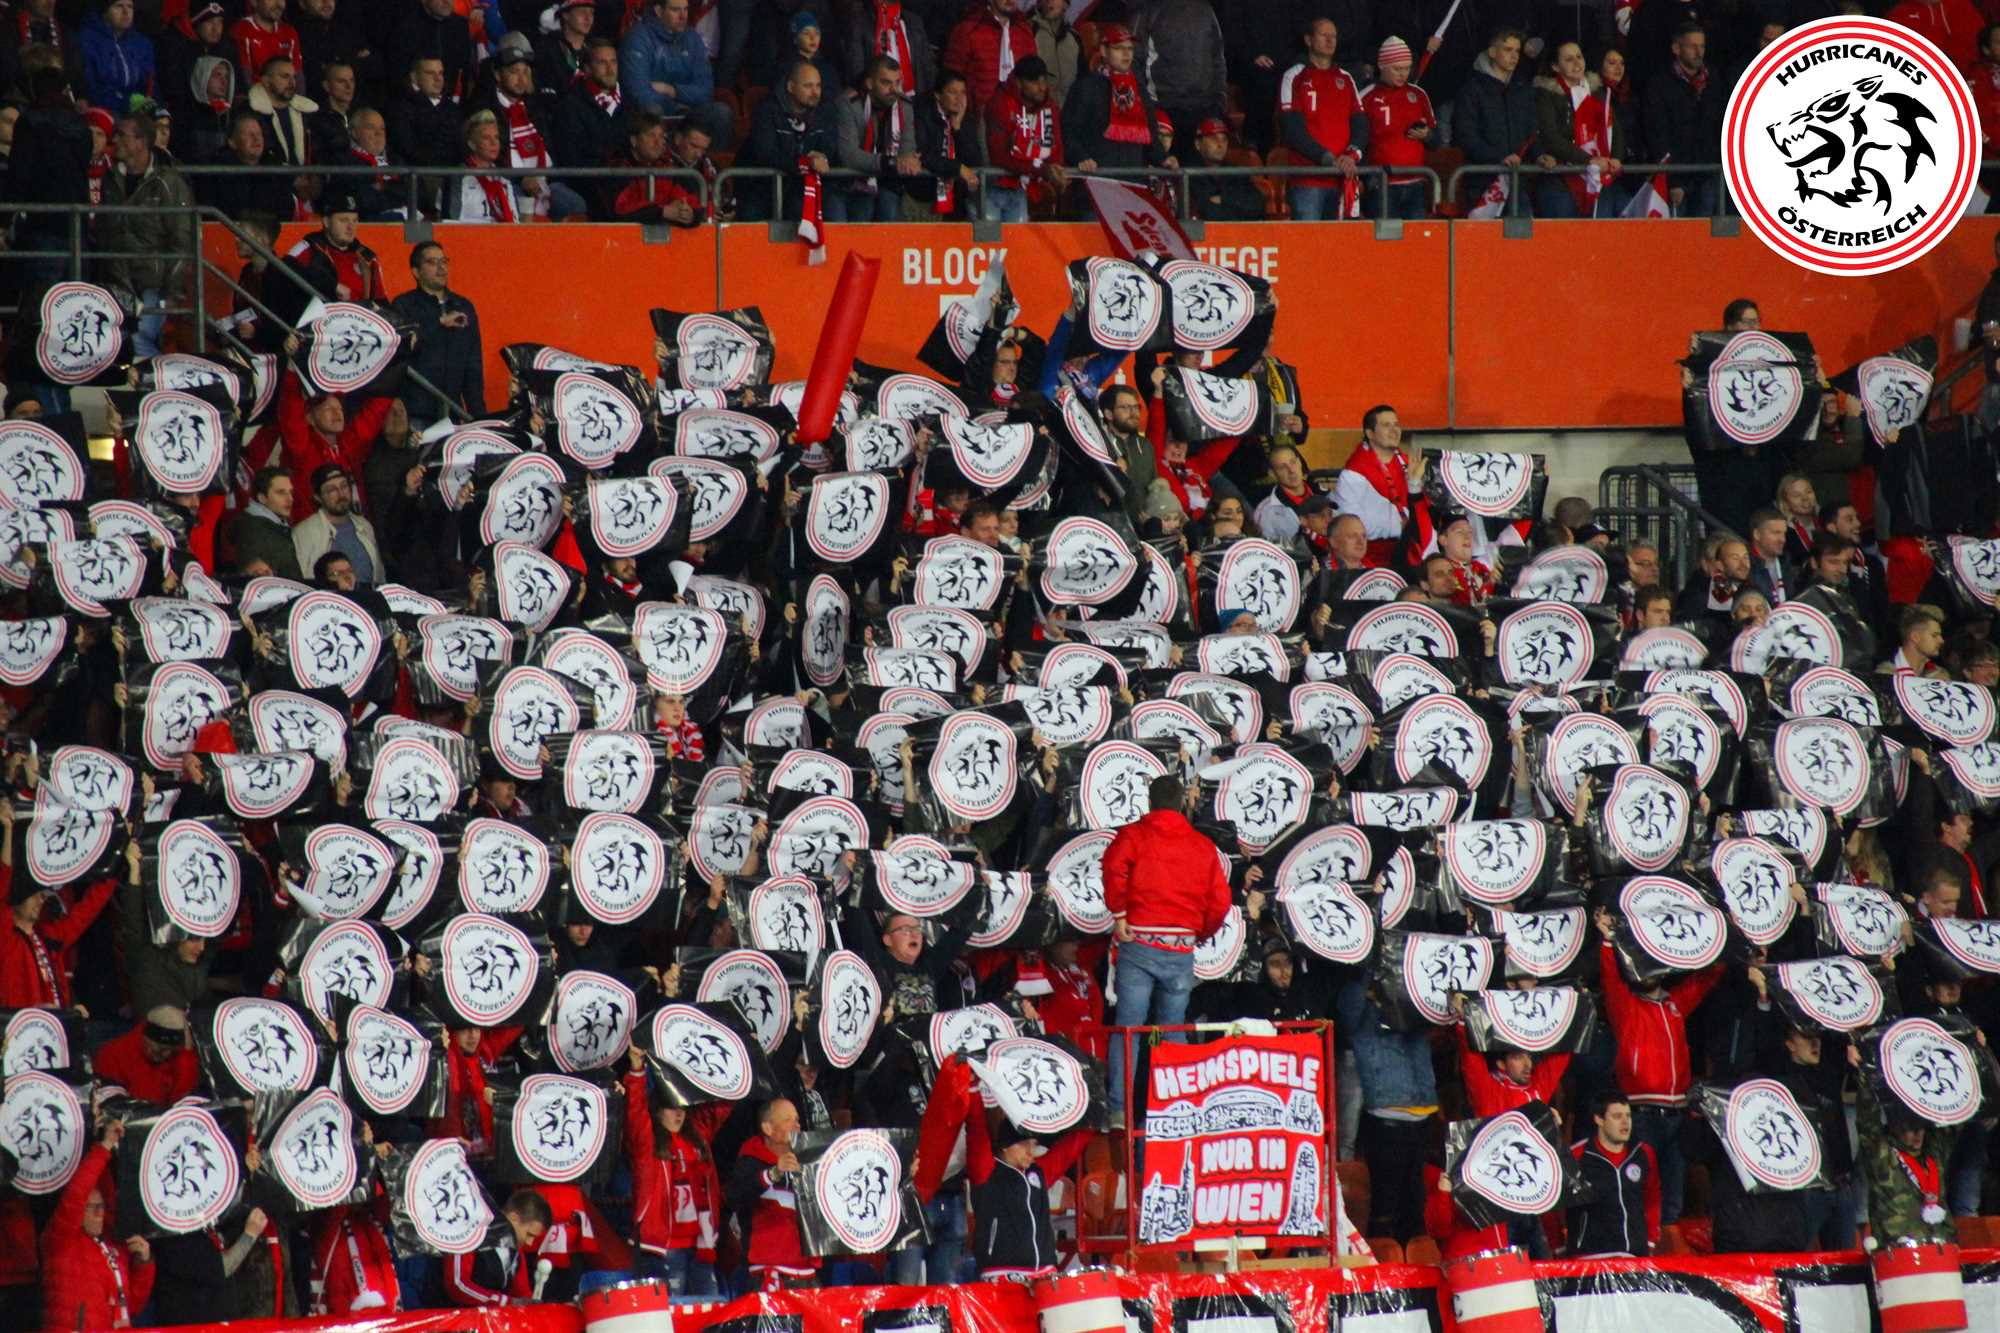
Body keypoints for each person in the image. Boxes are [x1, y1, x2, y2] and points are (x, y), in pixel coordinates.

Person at [1099, 774, 1232, 1125]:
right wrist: (1198, 932)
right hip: (1181, 949)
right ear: (1181, 804)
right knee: (1172, 1029)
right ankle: (1176, 1109)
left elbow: (1112, 867)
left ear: (1150, 802)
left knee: (1129, 1028)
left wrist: (1119, 914)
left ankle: (1119, 1110)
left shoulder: (1133, 836)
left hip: (1139, 943)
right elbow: (1221, 901)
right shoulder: (1202, 845)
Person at [1593, 903, 1724, 1225]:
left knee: (1673, 1196)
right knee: (1643, 1191)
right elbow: (1610, 979)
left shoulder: (1674, 1005)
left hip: (1678, 1113)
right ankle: (1645, 1246)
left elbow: (1704, 981)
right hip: (1642, 1115)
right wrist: (1608, 942)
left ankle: (1666, 1248)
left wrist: (1725, 938)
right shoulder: (1626, 1007)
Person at [40, 1119, 153, 1333]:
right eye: (91, 1207)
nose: (99, 1213)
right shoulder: (61, 1239)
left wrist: (143, 1264)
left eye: (101, 1206)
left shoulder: (114, 1247)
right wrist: (104, 1146)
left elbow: (132, 1307)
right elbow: (77, 1193)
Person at [622, 1047, 720, 1293]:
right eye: (671, 1107)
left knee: (709, 1310)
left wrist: (736, 1065)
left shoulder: (697, 1137)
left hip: (701, 1245)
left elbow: (721, 1107)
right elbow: (635, 1110)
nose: (679, 1114)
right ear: (656, 1110)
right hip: (663, 1248)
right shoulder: (648, 1144)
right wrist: (636, 1070)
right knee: (671, 1312)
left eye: (682, 1107)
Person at [98, 109, 192, 361]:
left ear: (141, 142)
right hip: (118, 281)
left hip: (154, 283)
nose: (115, 140)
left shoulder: (168, 182)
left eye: (122, 135)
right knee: (119, 344)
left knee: (140, 341)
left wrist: (173, 291)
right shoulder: (111, 178)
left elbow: (182, 237)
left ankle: (154, 381)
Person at [466, 33, 587, 221]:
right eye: (514, 72)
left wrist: (544, 178)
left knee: (575, 205)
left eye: (525, 72)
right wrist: (521, 179)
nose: (521, 79)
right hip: (509, 183)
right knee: (514, 203)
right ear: (498, 74)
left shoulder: (538, 105)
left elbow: (551, 148)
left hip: (546, 181)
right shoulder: (485, 108)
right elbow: (486, 156)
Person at [967, 1115, 1092, 1279]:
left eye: (1033, 1144)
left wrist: (1091, 1117)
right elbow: (976, 1130)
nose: (1030, 1151)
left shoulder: (1038, 1172)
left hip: (1044, 1272)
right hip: (1001, 1272)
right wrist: (974, 1098)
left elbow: (1069, 1149)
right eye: (1024, 1144)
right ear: (1005, 1146)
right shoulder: (986, 1173)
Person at [1277, 17, 1366, 222]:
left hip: (1343, 180)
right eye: (1324, 35)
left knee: (1342, 242)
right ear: (1308, 40)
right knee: (1309, 241)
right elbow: (1291, 129)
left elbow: (1361, 124)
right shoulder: (1294, 77)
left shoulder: (1346, 78)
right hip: (1308, 182)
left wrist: (1351, 155)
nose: (1330, 40)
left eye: (1333, 36)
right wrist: (1327, 158)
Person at [726, 1098, 818, 1290]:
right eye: (787, 1120)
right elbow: (735, 1196)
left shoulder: (811, 1163)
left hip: (808, 1272)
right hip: (769, 1274)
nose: (797, 1125)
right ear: (768, 1128)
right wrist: (773, 1174)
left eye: (797, 1119)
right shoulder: (750, 1160)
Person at [391, 240, 484, 428]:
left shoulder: (464, 306)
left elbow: (473, 366)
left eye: (444, 261)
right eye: (432, 262)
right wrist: (439, 322)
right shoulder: (403, 305)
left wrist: (479, 418)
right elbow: (401, 348)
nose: (441, 268)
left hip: (453, 414)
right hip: (415, 415)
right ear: (416, 272)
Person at [1063, 24, 1172, 183]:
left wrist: (1163, 158)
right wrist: (1080, 157)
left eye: (1130, 48)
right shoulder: (1086, 87)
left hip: (1134, 183)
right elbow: (1069, 131)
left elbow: (1151, 136)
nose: (1126, 54)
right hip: (1098, 182)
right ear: (1103, 51)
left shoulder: (1139, 89)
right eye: (1118, 48)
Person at [1534, 40, 1626, 218]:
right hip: (1561, 178)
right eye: (1569, 59)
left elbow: (1614, 129)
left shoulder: (1597, 91)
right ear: (1555, 66)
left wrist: (1616, 157)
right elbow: (1550, 136)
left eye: (1579, 56)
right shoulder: (1546, 94)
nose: (1577, 63)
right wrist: (1588, 160)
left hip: (1599, 176)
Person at [738, 57, 836, 223]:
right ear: (791, 87)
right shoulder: (767, 110)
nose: (815, 92)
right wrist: (804, 162)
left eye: (818, 86)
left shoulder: (825, 112)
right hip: (759, 189)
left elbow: (829, 148)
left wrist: (822, 157)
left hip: (798, 190)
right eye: (808, 86)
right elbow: (765, 153)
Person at [1640, 23, 1722, 216]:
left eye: (1702, 46)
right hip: (1676, 178)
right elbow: (1657, 135)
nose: (1698, 52)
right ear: (1676, 49)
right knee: (1679, 233)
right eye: (1692, 46)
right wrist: (1673, 180)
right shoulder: (1659, 84)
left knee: (1706, 232)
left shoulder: (1714, 80)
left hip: (1708, 174)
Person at [1456, 28, 1541, 213]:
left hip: (1516, 182)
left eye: (1517, 51)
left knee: (1523, 231)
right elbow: (1466, 135)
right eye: (1508, 49)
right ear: (1492, 52)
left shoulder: (1522, 88)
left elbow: (1533, 130)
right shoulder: (1472, 89)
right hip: (1482, 182)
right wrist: (1499, 158)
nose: (1514, 56)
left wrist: (1540, 155)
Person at [1567, 1092, 1659, 1257]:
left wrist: (1650, 1240)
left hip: (1635, 1255)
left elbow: (1653, 1198)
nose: (1625, 1122)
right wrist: (1558, 1245)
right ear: (1599, 1119)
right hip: (1591, 1256)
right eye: (1617, 1116)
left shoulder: (1643, 1153)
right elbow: (1556, 1206)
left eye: (1628, 1116)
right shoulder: (1577, 1156)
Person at [621, 0, 730, 139]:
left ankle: (703, 154)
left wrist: (672, 90)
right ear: (659, 11)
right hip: (654, 113)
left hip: (687, 112)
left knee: (721, 113)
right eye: (675, 10)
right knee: (651, 109)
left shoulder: (693, 38)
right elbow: (639, 93)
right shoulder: (638, 38)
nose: (683, 16)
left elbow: (706, 90)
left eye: (685, 9)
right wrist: (675, 108)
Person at [830, 54, 919, 222]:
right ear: (869, 83)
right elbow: (848, 155)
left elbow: (907, 149)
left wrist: (909, 159)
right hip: (842, 184)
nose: (893, 89)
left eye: (897, 83)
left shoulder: (904, 106)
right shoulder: (849, 103)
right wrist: (889, 162)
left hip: (880, 183)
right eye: (886, 83)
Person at [1133, 0, 1227, 154]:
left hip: (1204, 107)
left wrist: (1219, 98)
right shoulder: (1149, 10)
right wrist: (1147, 104)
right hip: (1165, 108)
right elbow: (1135, 60)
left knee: (1196, 166)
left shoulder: (1205, 9)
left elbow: (1218, 57)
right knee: (1168, 164)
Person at [982, 54, 1066, 224]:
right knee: (995, 239)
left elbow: (1055, 146)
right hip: (997, 188)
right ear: (1018, 83)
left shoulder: (1050, 106)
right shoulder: (1000, 104)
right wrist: (1042, 169)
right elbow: (998, 157)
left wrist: (1056, 170)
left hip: (1037, 190)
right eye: (1034, 82)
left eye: (1044, 81)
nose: (1042, 87)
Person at [1334, 403, 1419, 565]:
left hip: (1411, 553)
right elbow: (1351, 525)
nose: (1394, 430)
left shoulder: (1407, 463)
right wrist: (1400, 526)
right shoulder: (1353, 474)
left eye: (1396, 425)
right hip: (1370, 562)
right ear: (1370, 433)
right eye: (1386, 425)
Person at [1360, 38, 1435, 220]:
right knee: (1385, 237)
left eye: (1407, 68)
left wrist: (1427, 135)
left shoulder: (1418, 94)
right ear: (1382, 66)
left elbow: (1437, 140)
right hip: (1383, 186)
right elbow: (1355, 141)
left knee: (1416, 237)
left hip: (1416, 184)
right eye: (1397, 69)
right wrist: (1368, 179)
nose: (1403, 74)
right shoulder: (1366, 97)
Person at [443, 1190, 552, 1306]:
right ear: (514, 1218)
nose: (530, 1243)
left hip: (492, 1316)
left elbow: (521, 1292)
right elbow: (457, 1285)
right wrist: (506, 1301)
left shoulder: (516, 1251)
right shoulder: (469, 1235)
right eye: (529, 1234)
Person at [553, 38, 625, 198]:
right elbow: (571, 160)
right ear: (588, 68)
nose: (610, 69)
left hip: (627, 185)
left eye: (613, 62)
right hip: (591, 188)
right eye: (602, 63)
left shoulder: (630, 103)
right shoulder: (571, 105)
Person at [387, 54, 459, 213]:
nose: (438, 79)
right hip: (417, 180)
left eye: (440, 73)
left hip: (451, 179)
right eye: (430, 73)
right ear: (414, 77)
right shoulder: (401, 108)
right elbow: (406, 147)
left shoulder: (453, 109)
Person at [912, 67, 982, 219]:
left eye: (962, 92)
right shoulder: (922, 115)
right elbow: (923, 155)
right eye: (953, 92)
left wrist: (957, 129)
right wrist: (957, 167)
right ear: (938, 95)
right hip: (923, 197)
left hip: (955, 198)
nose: (959, 98)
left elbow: (975, 160)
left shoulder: (965, 118)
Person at [942, 0, 1034, 115]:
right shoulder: (968, 30)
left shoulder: (1024, 32)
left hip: (1021, 116)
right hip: (978, 118)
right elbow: (950, 80)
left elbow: (1033, 77)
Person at [91, 1005, 199, 1103]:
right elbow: (108, 1103)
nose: (167, 1054)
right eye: (162, 1049)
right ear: (146, 1039)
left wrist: (187, 1058)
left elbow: (184, 1101)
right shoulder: (113, 1055)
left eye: (172, 1051)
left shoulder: (182, 1059)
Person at [79, 0, 153, 112]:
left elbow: (151, 84)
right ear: (105, 12)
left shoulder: (142, 43)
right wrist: (127, 103)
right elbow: (92, 88)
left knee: (162, 119)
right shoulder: (88, 41)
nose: (126, 12)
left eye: (130, 6)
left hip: (138, 107)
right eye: (118, 6)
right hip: (103, 109)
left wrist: (159, 110)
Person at [1187, 116, 1264, 220]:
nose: (1220, 144)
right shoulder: (1189, 175)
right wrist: (1238, 205)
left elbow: (1258, 204)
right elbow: (1205, 212)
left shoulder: (1236, 172)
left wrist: (1224, 199)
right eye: (1213, 139)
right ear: (1198, 144)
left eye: (1224, 140)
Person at [230, 0, 300, 89]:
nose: (279, 4)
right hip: (256, 94)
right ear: (254, 2)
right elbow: (245, 77)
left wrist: (299, 97)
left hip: (286, 94)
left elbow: (298, 75)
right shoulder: (241, 30)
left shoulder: (289, 32)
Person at [536, 0, 597, 97]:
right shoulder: (548, 52)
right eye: (582, 12)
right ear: (565, 15)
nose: (588, 18)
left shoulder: (595, 53)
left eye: (591, 13)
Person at [1028, 0, 1081, 105]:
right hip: (1039, 107)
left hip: (1071, 109)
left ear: (1066, 5)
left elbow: (1082, 79)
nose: (1049, 1)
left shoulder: (1074, 38)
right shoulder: (1028, 31)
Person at [1879, 603, 1950, 678]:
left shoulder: (1940, 675)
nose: (1941, 641)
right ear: (1915, 637)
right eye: (1934, 635)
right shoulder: (1886, 674)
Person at [1745, 507, 1792, 607]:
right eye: (1776, 533)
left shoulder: (1787, 563)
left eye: (1784, 533)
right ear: (1757, 534)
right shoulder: (1745, 567)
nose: (1783, 539)